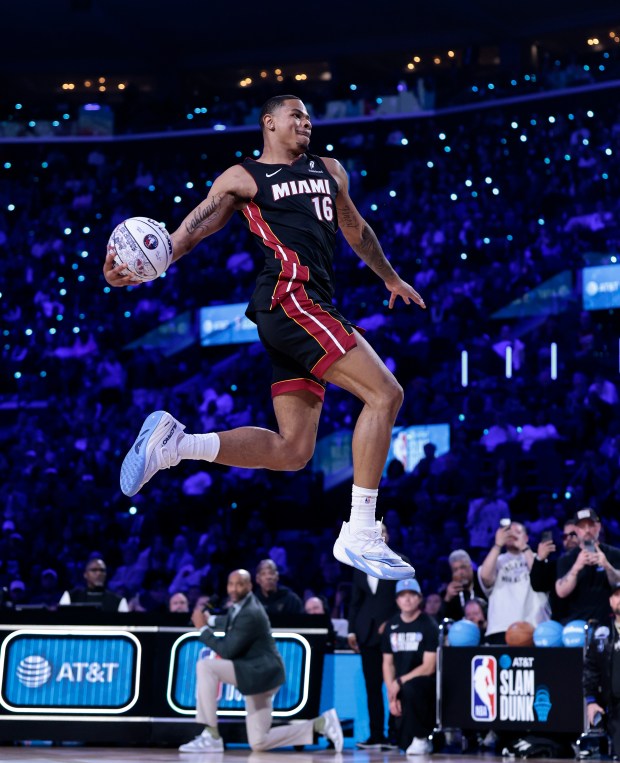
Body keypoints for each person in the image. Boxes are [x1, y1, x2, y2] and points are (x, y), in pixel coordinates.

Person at [104, 94, 425, 581]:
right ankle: (360, 529)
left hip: (310, 307)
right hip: (290, 299)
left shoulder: (330, 170)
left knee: (294, 451)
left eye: (310, 115)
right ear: (269, 122)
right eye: (297, 115)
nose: (307, 122)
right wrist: (133, 270)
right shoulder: (244, 177)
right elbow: (186, 234)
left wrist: (390, 277)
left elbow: (356, 229)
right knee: (386, 394)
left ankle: (175, 446)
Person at [178, 568, 343, 753]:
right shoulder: (242, 605)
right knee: (259, 742)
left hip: (259, 673)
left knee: (206, 667)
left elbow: (227, 650)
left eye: (239, 584)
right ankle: (320, 724)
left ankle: (212, 735)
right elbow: (231, 621)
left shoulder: (250, 611)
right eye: (231, 584)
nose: (233, 589)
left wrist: (202, 629)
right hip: (260, 676)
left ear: (249, 586)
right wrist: (212, 619)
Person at [347, 523, 403, 750]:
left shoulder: (400, 561)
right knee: (372, 686)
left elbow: (407, 597)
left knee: (394, 685)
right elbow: (355, 601)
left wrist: (391, 624)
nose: (379, 536)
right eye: (374, 533)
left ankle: (395, 734)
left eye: (383, 533)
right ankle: (376, 735)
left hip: (393, 637)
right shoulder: (359, 563)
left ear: (388, 537)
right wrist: (352, 630)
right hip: (366, 635)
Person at [381, 578, 438, 755]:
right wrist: (392, 695)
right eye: (402, 596)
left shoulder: (429, 625)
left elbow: (429, 667)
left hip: (424, 686)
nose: (407, 599)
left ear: (419, 598)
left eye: (412, 595)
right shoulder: (391, 625)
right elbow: (387, 663)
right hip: (402, 686)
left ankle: (422, 738)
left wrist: (400, 682)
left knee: (412, 687)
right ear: (397, 600)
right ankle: (412, 737)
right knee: (403, 744)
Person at [478, 521, 550, 644]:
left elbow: (540, 578)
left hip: (535, 628)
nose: (512, 535)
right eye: (508, 532)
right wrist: (497, 545)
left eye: (517, 532)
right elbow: (485, 577)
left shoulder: (538, 559)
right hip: (501, 629)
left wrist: (524, 548)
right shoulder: (497, 560)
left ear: (526, 538)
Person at [555, 507, 620, 625]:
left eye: (590, 525)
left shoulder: (615, 554)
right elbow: (561, 592)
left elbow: (618, 584)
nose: (587, 530)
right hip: (576, 624)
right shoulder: (566, 559)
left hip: (609, 622)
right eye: (582, 527)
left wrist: (607, 566)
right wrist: (576, 567)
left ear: (598, 527)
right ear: (575, 530)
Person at [583, 582, 620, 757]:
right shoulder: (601, 635)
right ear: (610, 600)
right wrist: (591, 701)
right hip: (615, 708)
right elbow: (590, 670)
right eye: (617, 595)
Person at [59, 557, 129, 612]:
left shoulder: (118, 601)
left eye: (102, 570)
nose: (99, 574)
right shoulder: (70, 596)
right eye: (94, 570)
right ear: (85, 574)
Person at [440, 549, 485, 621]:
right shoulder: (450, 592)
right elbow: (443, 619)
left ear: (470, 567)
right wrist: (447, 599)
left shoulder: (482, 582)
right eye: (455, 570)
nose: (460, 572)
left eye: (463, 567)